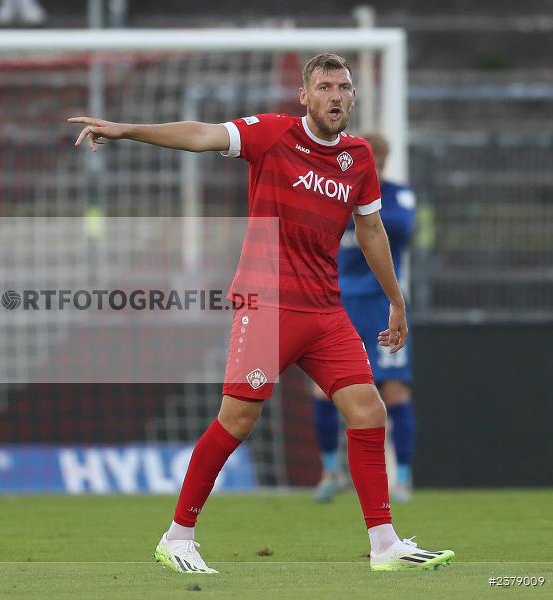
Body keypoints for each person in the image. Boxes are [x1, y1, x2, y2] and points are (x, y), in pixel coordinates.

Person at [69, 53, 454, 574]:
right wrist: (126, 130)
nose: (336, 96)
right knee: (237, 419)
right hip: (266, 304)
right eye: (325, 87)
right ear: (305, 96)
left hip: (325, 309)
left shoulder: (358, 157)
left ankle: (384, 544)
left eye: (344, 87)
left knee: (368, 411)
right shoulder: (273, 134)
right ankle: (177, 537)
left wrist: (396, 300)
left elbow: (370, 231)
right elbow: (202, 135)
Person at [312, 132, 417, 504]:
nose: (374, 167)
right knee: (323, 391)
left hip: (381, 305)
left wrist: (361, 210)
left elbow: (400, 226)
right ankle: (330, 472)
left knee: (394, 390)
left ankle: (402, 479)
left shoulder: (398, 195)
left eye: (379, 161)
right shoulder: (333, 192)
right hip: (338, 302)